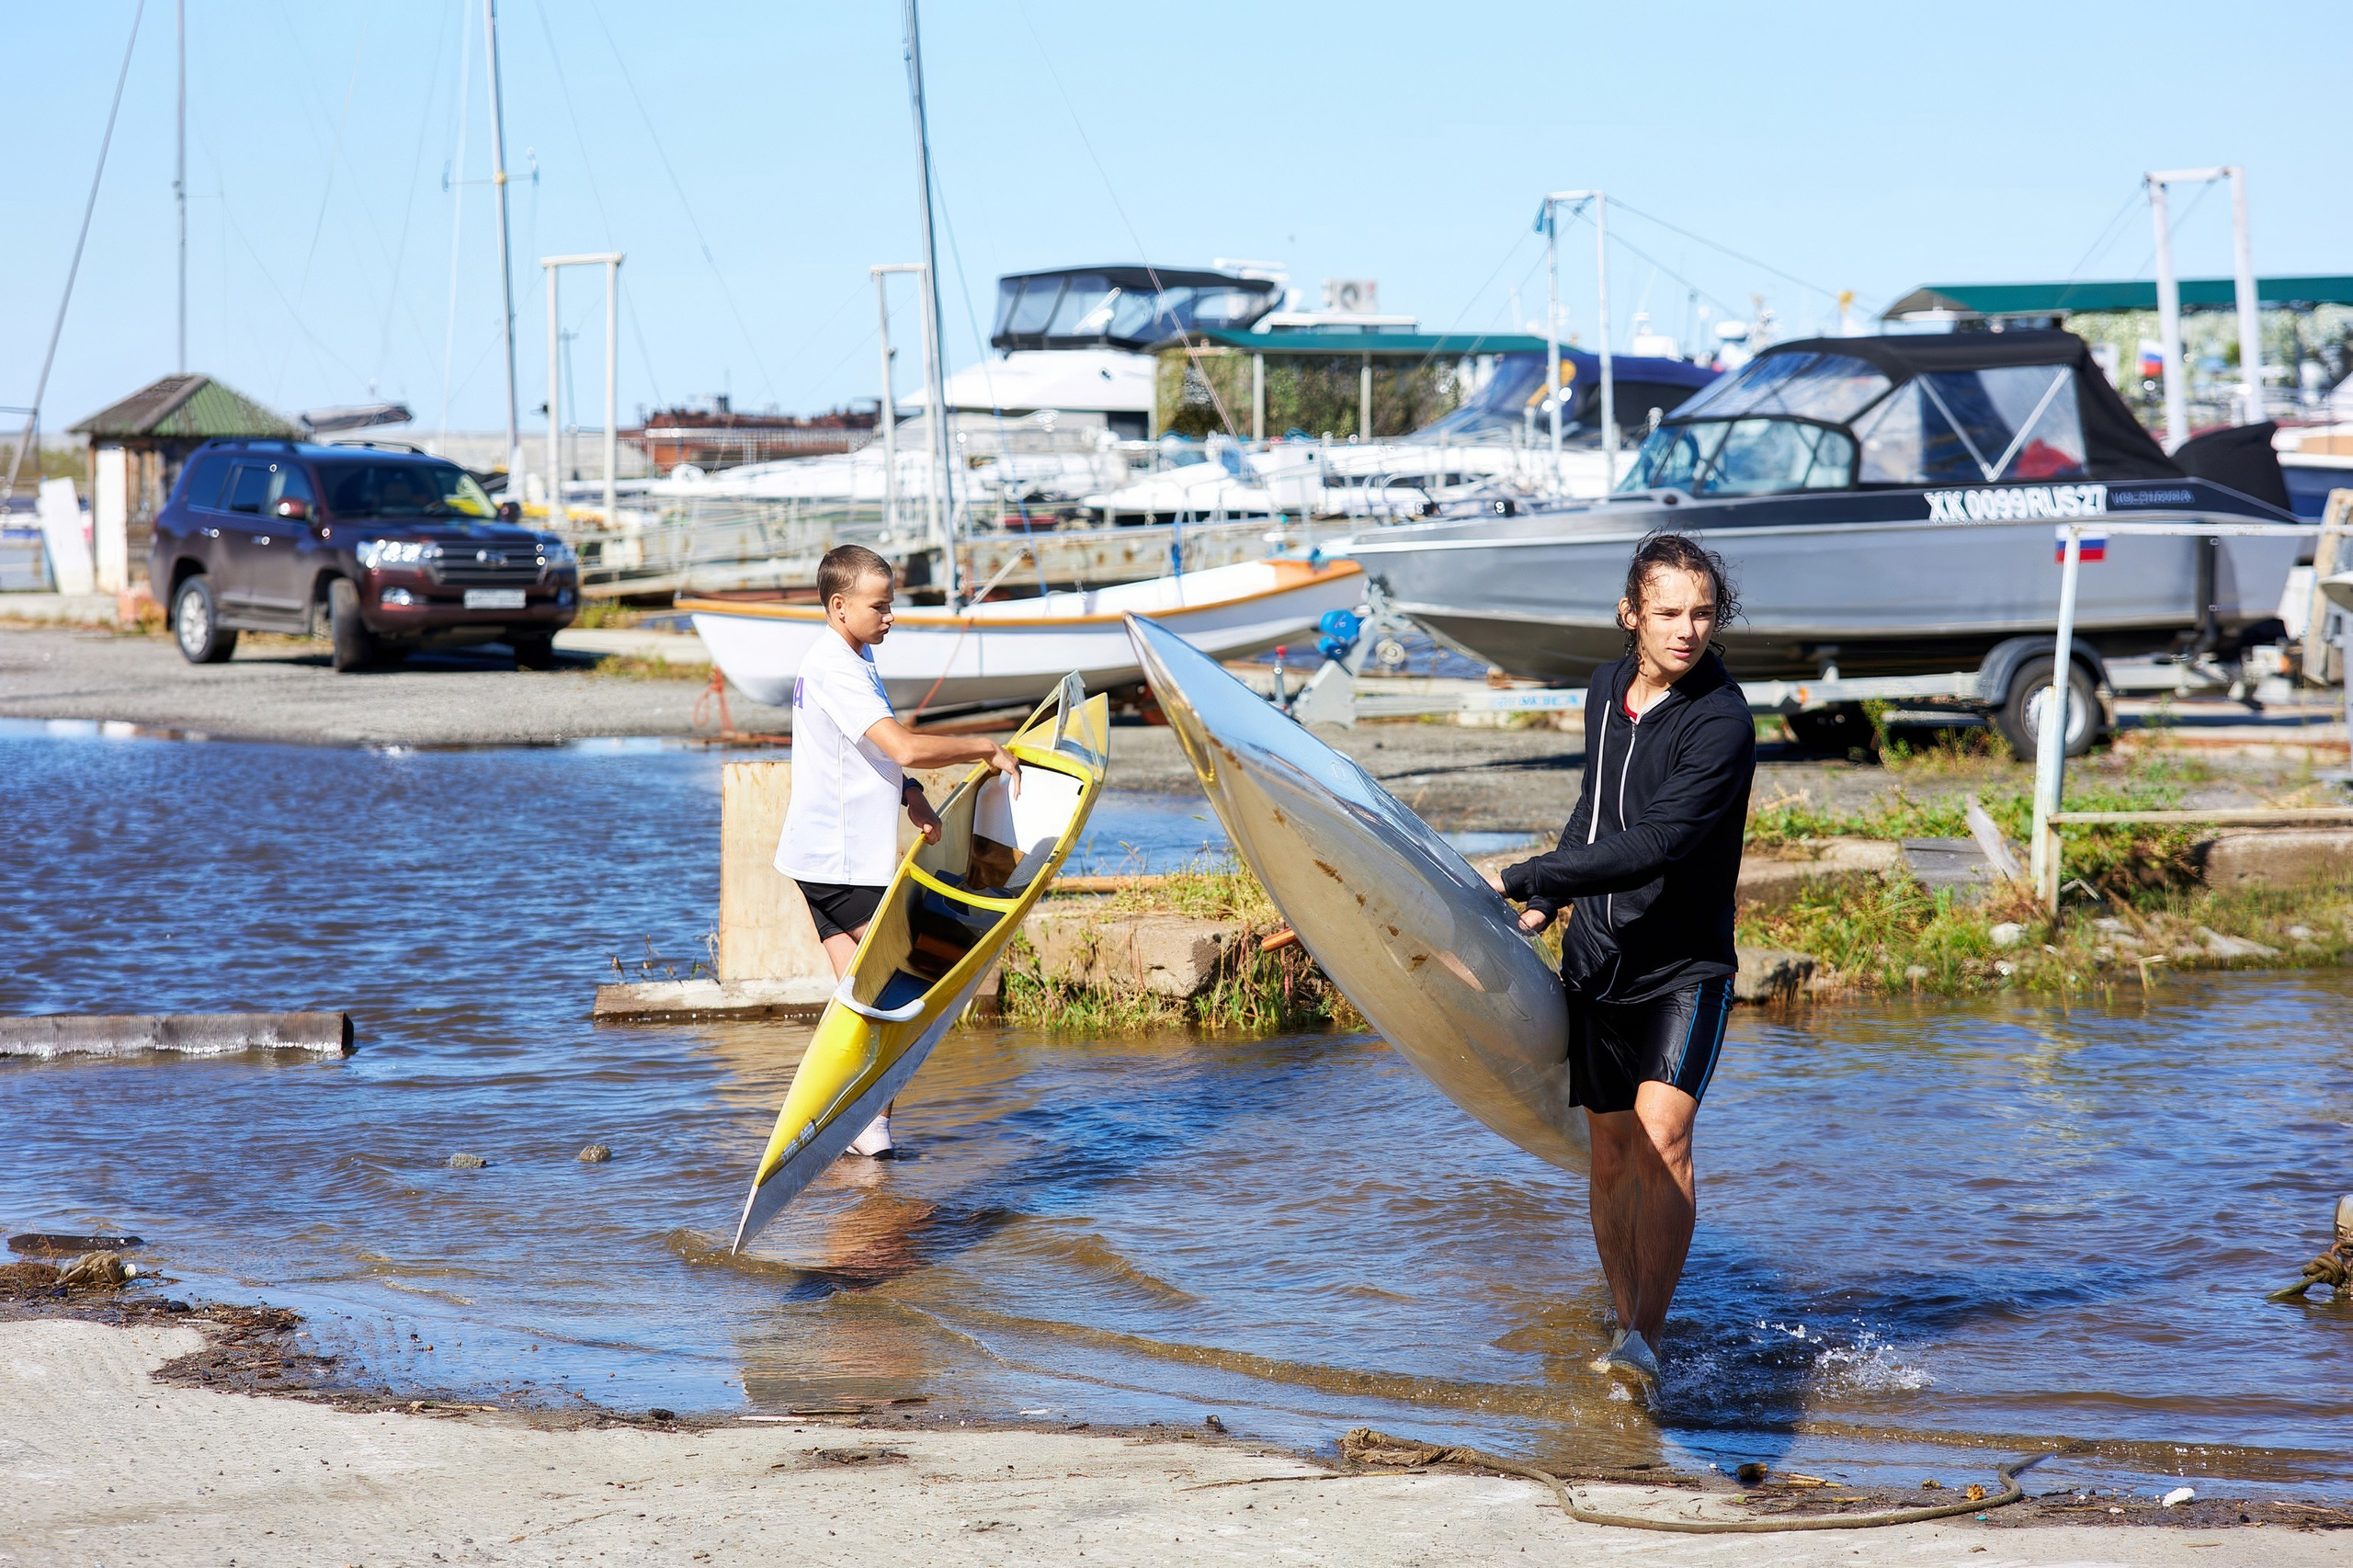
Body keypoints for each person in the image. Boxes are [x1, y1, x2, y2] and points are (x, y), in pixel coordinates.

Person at [1487, 530, 1755, 1388]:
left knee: (1663, 1136)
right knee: (1609, 1148)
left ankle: (1646, 1334)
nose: (1688, 630)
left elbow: (1657, 843)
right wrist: (1549, 897)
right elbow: (1594, 810)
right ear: (1630, 613)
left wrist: (1519, 870)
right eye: (1669, 612)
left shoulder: (1721, 720)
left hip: (1684, 965)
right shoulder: (1606, 689)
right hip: (1599, 956)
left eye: (1703, 613)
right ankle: (1621, 1313)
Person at [776, 543, 1021, 1157]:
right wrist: (984, 746)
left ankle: (864, 1131)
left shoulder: (847, 657)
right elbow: (902, 745)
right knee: (903, 995)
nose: (891, 616)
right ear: (839, 607)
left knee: (863, 1003)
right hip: (842, 862)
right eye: (879, 607)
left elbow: (865, 752)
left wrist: (909, 795)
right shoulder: (836, 665)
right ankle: (867, 1127)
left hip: (819, 856)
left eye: (891, 605)